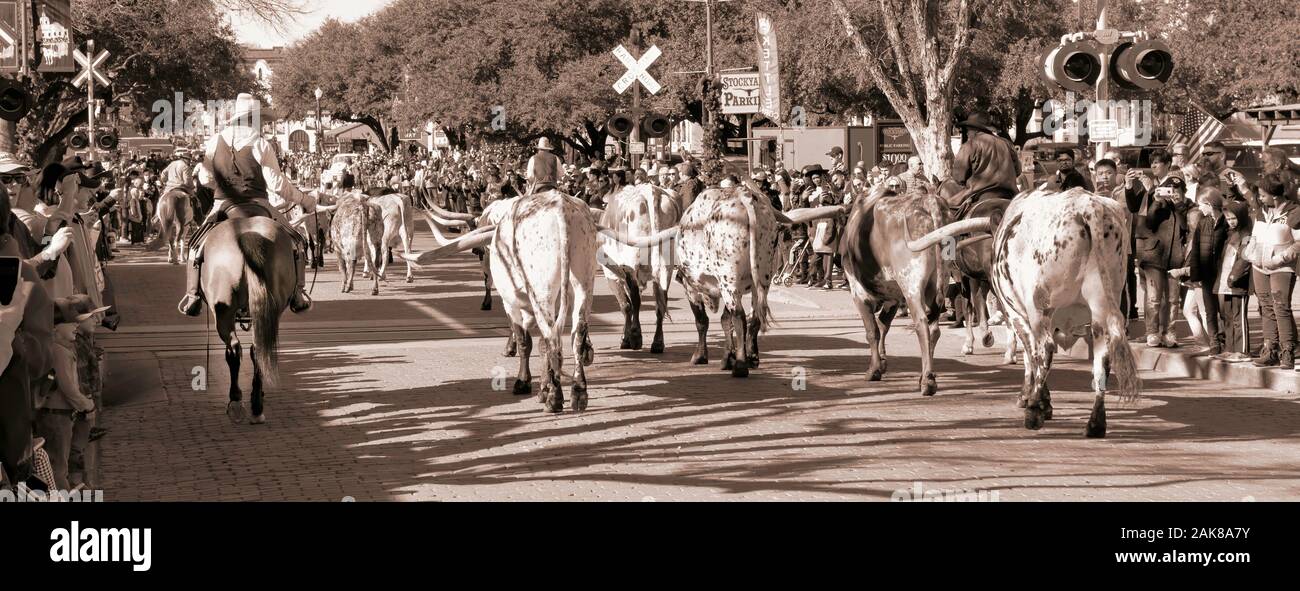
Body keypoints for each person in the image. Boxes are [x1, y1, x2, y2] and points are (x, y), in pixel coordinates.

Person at [177, 93, 317, 317]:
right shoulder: (261, 143)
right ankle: (298, 294)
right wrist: (304, 199)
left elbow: (204, 179)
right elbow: (276, 184)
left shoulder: (215, 141)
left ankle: (193, 295)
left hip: (223, 204)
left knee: (196, 246)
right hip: (258, 202)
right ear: (253, 118)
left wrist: (222, 184)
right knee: (296, 242)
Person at [1245, 175, 1300, 368]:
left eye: (1262, 195)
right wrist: (1250, 251)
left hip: (1281, 267)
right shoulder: (1261, 212)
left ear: (1274, 196)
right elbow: (1253, 236)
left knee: (1281, 307)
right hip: (1259, 266)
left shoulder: (1294, 212)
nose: (1260, 198)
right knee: (1265, 307)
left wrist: (1280, 259)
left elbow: (1298, 243)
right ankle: (1269, 349)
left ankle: (1288, 351)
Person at [1170, 188, 1228, 356]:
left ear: (1209, 204)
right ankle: (1211, 342)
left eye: (1202, 204)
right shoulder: (1204, 224)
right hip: (1201, 276)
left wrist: (1184, 272)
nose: (1200, 207)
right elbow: (1196, 252)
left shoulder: (1222, 223)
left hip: (1214, 274)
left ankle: (1218, 342)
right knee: (1203, 311)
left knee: (1214, 311)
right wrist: (1195, 276)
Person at [1136, 176, 1191, 348]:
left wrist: (1179, 207)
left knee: (1173, 299)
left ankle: (1170, 332)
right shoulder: (1155, 202)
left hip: (1175, 257)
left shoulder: (1187, 206)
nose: (1172, 193)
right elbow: (1148, 222)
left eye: (1176, 190)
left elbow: (1184, 228)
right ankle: (1152, 332)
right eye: (1169, 189)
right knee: (1154, 297)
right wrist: (1157, 202)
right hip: (1154, 256)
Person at [946, 112, 1019, 212]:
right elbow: (1018, 171)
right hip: (1011, 196)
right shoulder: (1007, 143)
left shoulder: (970, 145)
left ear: (975, 130)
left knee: (946, 210)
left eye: (968, 130)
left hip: (980, 195)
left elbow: (958, 177)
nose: (967, 133)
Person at [1213, 200, 1253, 362]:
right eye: (1228, 219)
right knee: (1227, 317)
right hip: (1225, 283)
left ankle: (1242, 351)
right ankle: (1230, 348)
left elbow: (1244, 259)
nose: (1231, 222)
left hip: (1237, 284)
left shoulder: (1246, 235)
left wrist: (1234, 276)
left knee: (1238, 317)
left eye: (1234, 218)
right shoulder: (1230, 234)